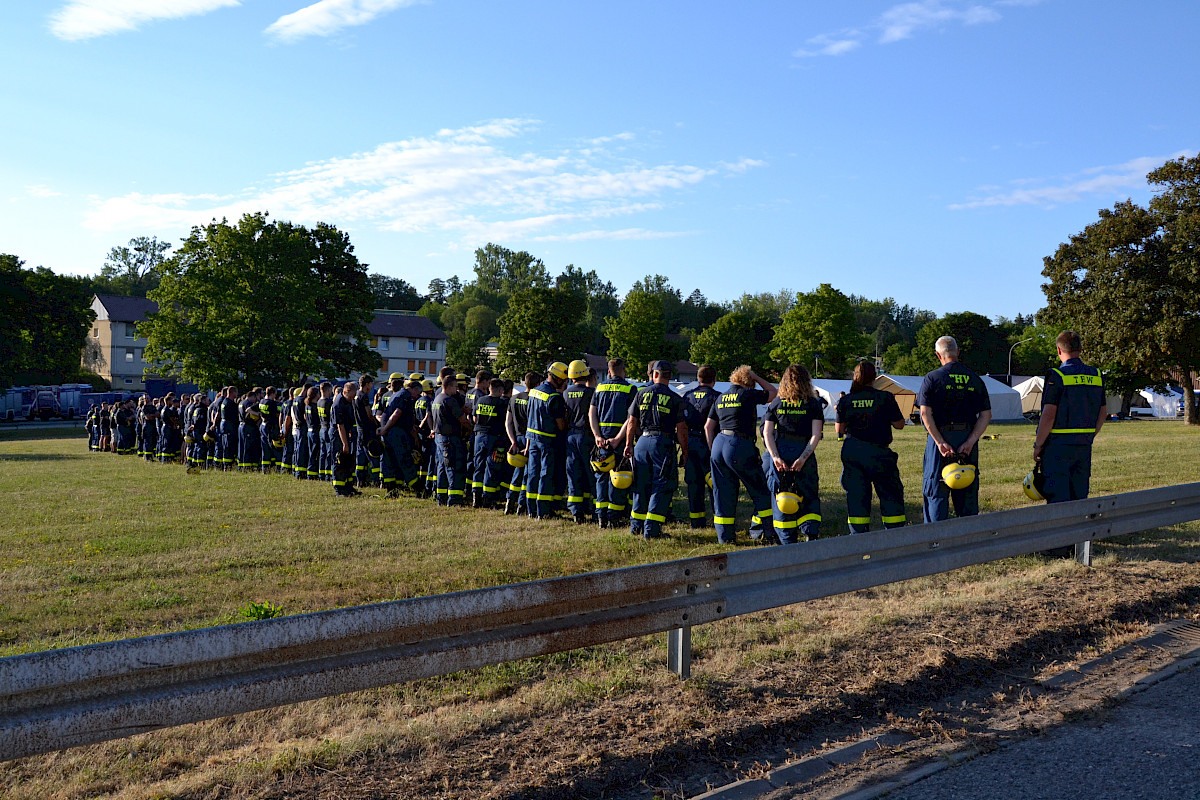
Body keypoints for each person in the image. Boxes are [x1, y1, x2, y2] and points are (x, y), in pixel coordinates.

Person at [918, 336, 992, 523]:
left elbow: (925, 413)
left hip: (941, 439)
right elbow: (986, 415)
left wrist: (940, 441)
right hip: (967, 438)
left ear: (938, 355)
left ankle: (935, 543)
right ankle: (966, 543)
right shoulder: (975, 379)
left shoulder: (932, 378)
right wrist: (970, 441)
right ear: (958, 352)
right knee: (967, 490)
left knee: (936, 491)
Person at [705, 365, 778, 544]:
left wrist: (712, 449)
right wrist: (755, 376)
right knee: (759, 489)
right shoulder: (747, 394)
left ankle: (725, 538)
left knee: (722, 493)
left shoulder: (720, 397)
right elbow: (772, 392)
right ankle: (769, 532)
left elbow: (708, 427)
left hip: (718, 444)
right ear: (748, 382)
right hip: (738, 444)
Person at [1033, 330, 1106, 505]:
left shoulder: (1057, 376)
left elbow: (1049, 415)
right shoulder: (1096, 375)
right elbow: (1103, 412)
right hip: (1083, 445)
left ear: (1059, 350)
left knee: (1058, 498)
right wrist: (1089, 435)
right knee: (1079, 495)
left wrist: (1038, 445)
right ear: (1080, 349)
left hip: (1057, 446)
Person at [836, 361, 907, 534]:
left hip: (854, 452)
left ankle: (859, 535)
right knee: (890, 494)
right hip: (880, 452)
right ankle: (895, 533)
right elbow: (899, 425)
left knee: (857, 496)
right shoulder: (885, 397)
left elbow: (840, 429)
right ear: (874, 377)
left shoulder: (846, 400)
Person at [623, 360, 688, 539]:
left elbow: (631, 422)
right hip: (663, 443)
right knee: (662, 486)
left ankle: (636, 526)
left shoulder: (641, 393)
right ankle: (652, 530)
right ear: (670, 376)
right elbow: (681, 429)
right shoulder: (675, 399)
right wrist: (684, 451)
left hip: (642, 442)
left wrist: (629, 444)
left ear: (655, 374)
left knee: (640, 484)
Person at [762, 364, 824, 543]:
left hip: (780, 452)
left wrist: (775, 457)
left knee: (781, 495)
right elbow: (816, 435)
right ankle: (810, 532)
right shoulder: (812, 403)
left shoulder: (776, 402)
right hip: (803, 452)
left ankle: (787, 538)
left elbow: (767, 433)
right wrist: (803, 458)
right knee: (809, 494)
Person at [590, 358, 637, 528]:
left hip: (601, 441)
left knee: (601, 478)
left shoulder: (599, 387)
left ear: (609, 372)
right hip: (619, 440)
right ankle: (613, 517)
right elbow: (630, 418)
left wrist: (597, 436)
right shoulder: (630, 389)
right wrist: (618, 438)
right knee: (618, 478)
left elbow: (592, 413)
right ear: (624, 370)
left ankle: (601, 516)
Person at [524, 362, 569, 519]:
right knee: (545, 474)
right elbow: (561, 424)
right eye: (564, 380)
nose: (565, 383)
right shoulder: (554, 397)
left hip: (532, 439)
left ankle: (531, 510)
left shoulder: (534, 392)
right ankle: (543, 511)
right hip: (547, 440)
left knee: (532, 474)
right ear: (557, 379)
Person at [681, 365, 719, 528]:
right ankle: (719, 518)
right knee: (714, 484)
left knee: (693, 484)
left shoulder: (687, 396)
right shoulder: (717, 397)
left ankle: (697, 522)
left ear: (698, 378)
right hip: (709, 443)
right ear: (714, 380)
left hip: (690, 442)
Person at [425, 374, 469, 506]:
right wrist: (472, 428)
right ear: (449, 386)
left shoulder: (437, 399)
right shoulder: (449, 401)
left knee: (441, 469)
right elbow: (462, 419)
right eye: (455, 387)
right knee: (453, 468)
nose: (456, 390)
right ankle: (454, 500)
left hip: (439, 438)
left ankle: (441, 498)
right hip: (450, 439)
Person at [563, 360, 596, 523]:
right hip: (587, 436)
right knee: (592, 474)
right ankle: (596, 509)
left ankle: (576, 512)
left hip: (570, 436)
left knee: (573, 473)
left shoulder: (565, 393)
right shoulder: (591, 392)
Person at [379, 374, 421, 496]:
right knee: (404, 458)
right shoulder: (406, 396)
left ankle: (392, 488)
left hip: (391, 431)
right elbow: (396, 414)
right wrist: (385, 429)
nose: (417, 397)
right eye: (417, 394)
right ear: (412, 389)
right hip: (395, 432)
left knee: (391, 459)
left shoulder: (397, 394)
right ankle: (416, 486)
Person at [472, 378, 510, 508]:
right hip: (493, 437)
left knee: (478, 465)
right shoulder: (501, 403)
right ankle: (487, 499)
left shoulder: (480, 400)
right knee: (491, 467)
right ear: (500, 390)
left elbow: (474, 418)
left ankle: (475, 497)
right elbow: (505, 422)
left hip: (479, 436)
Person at [506, 371, 540, 515]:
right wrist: (527, 446)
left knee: (517, 472)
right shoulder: (533, 399)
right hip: (528, 439)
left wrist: (512, 441)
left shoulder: (514, 398)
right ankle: (521, 505)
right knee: (527, 473)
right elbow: (530, 425)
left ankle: (509, 502)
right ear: (537, 384)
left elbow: (507, 422)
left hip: (516, 438)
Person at [330, 381, 360, 497]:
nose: (353, 399)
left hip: (346, 433)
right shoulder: (338, 403)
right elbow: (340, 425)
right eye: (351, 396)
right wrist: (345, 444)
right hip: (338, 434)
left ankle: (348, 487)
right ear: (345, 392)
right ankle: (339, 489)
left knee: (348, 461)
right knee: (339, 461)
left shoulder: (348, 401)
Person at [354, 374, 381, 488]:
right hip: (367, 430)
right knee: (373, 456)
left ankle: (360, 480)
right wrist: (377, 425)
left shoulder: (356, 395)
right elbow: (369, 414)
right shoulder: (364, 396)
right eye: (371, 384)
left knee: (360, 456)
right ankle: (376, 481)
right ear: (367, 384)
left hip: (360, 430)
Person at [259, 387, 281, 473]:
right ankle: (277, 468)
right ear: (272, 393)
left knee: (265, 448)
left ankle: (265, 468)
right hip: (270, 427)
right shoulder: (272, 403)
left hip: (263, 425)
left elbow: (261, 413)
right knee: (275, 448)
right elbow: (276, 414)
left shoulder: (261, 402)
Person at [317, 382, 334, 481]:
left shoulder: (319, 401)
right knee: (328, 453)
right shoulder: (328, 402)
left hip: (321, 428)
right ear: (328, 390)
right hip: (327, 428)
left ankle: (321, 473)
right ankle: (328, 475)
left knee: (322, 453)